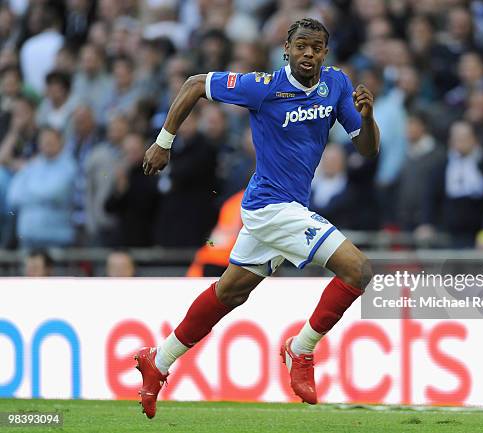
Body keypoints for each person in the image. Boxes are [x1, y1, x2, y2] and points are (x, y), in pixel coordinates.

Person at [135, 18, 379, 418]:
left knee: (230, 293)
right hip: (271, 207)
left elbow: (367, 150)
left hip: (284, 209)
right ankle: (300, 350)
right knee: (358, 269)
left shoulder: (335, 85)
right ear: (286, 48)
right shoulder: (264, 87)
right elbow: (195, 83)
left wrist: (367, 118)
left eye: (316, 47)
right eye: (301, 45)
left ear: (325, 52)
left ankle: (158, 360)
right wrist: (164, 142)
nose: (308, 54)